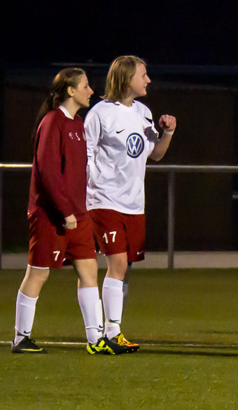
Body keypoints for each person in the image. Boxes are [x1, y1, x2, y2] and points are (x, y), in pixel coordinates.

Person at [12, 68, 128, 355]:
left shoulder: (77, 124)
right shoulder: (53, 123)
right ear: (71, 91)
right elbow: (48, 171)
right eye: (86, 86)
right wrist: (65, 210)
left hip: (79, 214)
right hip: (52, 216)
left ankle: (95, 340)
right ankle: (20, 337)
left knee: (90, 271)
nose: (91, 91)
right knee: (38, 274)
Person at [84, 55, 177, 350]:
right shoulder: (100, 114)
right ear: (126, 79)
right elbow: (83, 159)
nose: (148, 80)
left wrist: (169, 132)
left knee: (125, 269)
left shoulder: (143, 112)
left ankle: (111, 330)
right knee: (118, 264)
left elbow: (157, 154)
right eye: (143, 75)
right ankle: (111, 333)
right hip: (104, 200)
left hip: (135, 204)